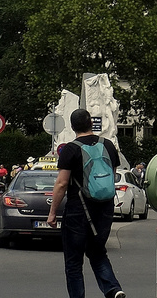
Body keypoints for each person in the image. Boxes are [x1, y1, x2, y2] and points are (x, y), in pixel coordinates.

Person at [45, 108, 126, 298]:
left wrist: (52, 212)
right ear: (91, 124)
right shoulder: (108, 145)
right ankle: (114, 290)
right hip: (104, 208)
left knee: (73, 263)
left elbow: (62, 183)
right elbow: (111, 176)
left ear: (72, 127)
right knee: (98, 253)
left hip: (78, 210)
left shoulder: (70, 149)